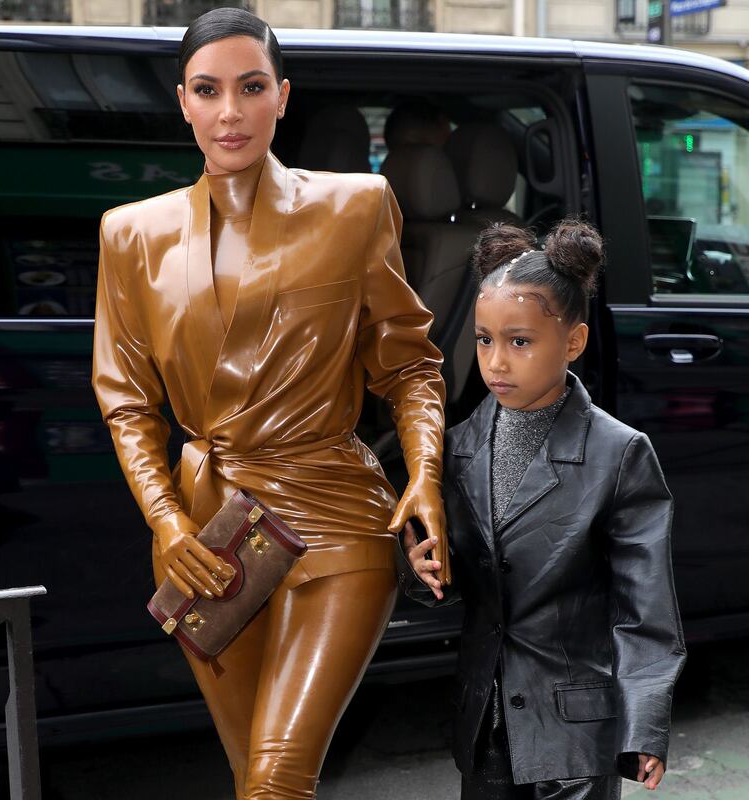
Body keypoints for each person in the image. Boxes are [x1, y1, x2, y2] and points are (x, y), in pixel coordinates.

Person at [91, 8, 449, 800]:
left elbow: (409, 365)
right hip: (206, 531)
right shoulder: (131, 234)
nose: (230, 112)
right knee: (248, 772)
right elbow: (124, 398)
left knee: (277, 782)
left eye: (251, 88)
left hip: (334, 509)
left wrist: (423, 471)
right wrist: (168, 521)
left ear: (282, 97)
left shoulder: (356, 207)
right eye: (208, 90)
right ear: (182, 101)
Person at [399, 220, 686, 799]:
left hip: (576, 735)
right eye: (484, 339)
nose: (496, 362)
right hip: (485, 725)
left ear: (573, 343)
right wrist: (418, 565)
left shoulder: (620, 454)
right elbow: (450, 582)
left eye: (519, 341)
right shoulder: (457, 447)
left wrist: (646, 725)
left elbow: (645, 609)